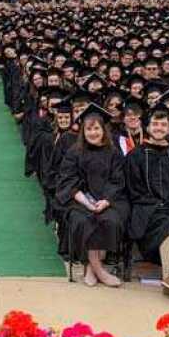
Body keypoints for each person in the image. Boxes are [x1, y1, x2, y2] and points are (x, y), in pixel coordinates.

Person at [125, 106, 169, 304]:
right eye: (155, 123)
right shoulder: (135, 156)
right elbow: (134, 189)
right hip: (147, 210)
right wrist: (158, 204)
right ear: (147, 127)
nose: (159, 127)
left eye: (163, 124)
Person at [55, 104, 128, 288]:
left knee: (109, 220)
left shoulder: (114, 153)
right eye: (89, 129)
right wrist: (87, 203)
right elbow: (68, 182)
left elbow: (117, 181)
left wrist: (105, 200)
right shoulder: (74, 152)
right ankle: (99, 270)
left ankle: (90, 269)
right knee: (83, 220)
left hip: (108, 201)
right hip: (79, 201)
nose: (93, 133)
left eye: (96, 128)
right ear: (83, 131)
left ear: (103, 130)